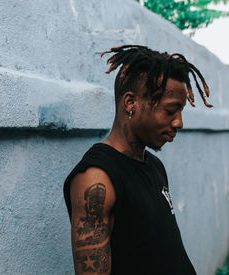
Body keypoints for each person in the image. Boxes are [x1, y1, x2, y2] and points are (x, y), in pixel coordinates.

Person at [63, 45, 213, 275]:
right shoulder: (97, 179)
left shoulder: (154, 165)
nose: (179, 123)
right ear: (130, 103)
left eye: (181, 111)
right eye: (171, 110)